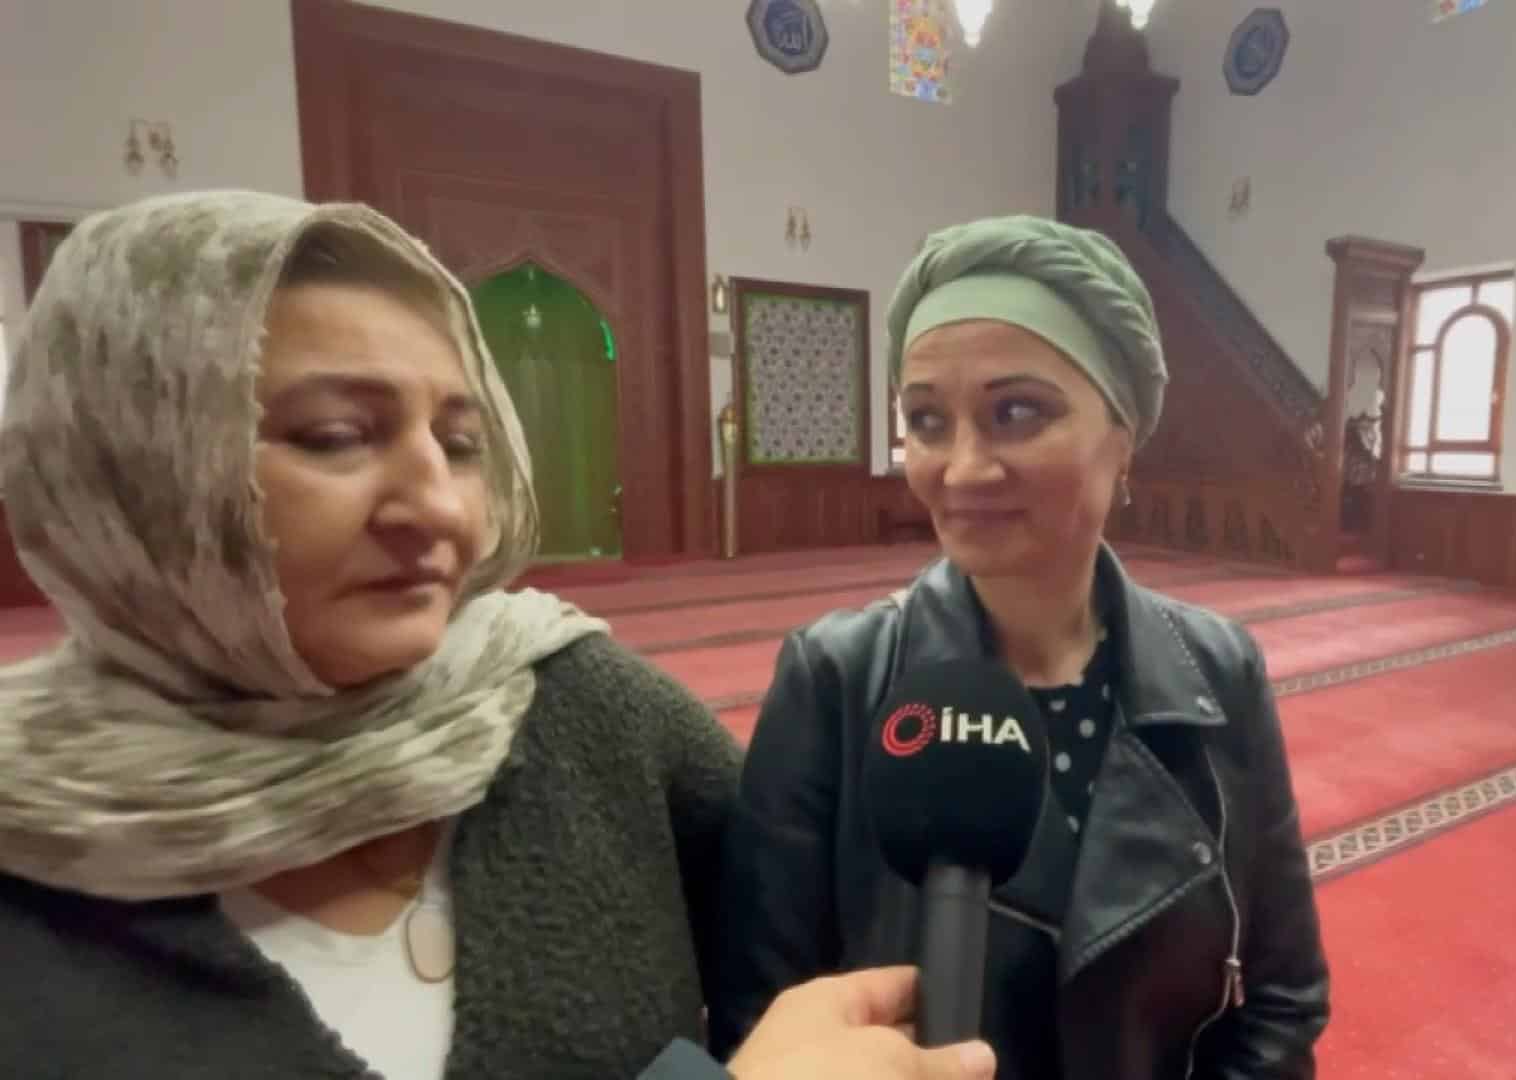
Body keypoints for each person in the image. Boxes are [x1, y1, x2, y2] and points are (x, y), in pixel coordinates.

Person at [0, 190, 994, 1080]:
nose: (438, 505)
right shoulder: (33, 859)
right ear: (122, 462)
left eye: (462, 443)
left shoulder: (578, 708)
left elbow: (820, 931)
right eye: (336, 436)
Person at [708, 215, 1332, 1078]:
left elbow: (1282, 999)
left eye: (1016, 412)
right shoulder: (835, 682)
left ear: (1122, 440)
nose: (962, 468)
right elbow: (763, 1023)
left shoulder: (1220, 672)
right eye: (927, 420)